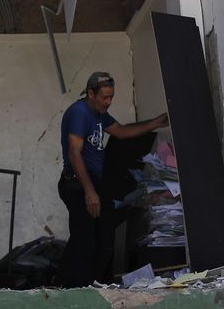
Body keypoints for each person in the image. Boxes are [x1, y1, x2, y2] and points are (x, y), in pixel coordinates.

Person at [57, 71, 168, 287]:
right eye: (104, 97)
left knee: (97, 241)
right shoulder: (80, 113)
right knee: (85, 243)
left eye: (111, 97)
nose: (108, 102)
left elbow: (122, 132)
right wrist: (89, 192)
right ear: (91, 93)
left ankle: (78, 287)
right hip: (77, 185)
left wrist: (156, 122)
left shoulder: (98, 113)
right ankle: (68, 291)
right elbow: (74, 153)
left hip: (90, 185)